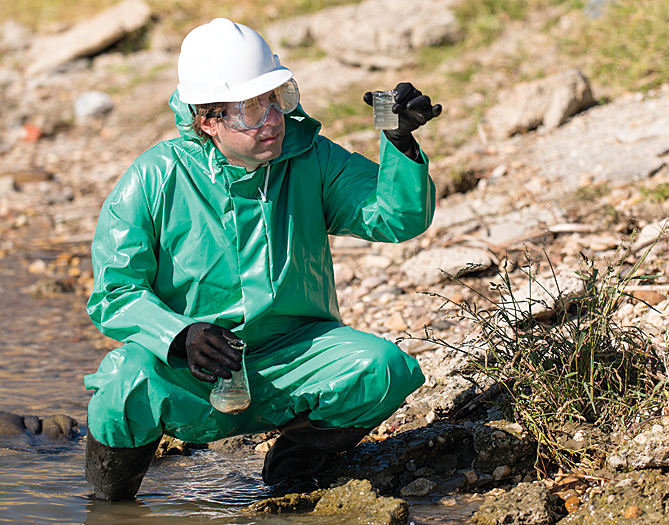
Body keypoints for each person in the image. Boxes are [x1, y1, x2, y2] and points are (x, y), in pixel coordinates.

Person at [82, 18, 441, 501]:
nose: (271, 118)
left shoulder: (312, 157)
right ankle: (108, 502)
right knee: (121, 384)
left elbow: (395, 218)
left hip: (297, 357)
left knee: (382, 368)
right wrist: (179, 336)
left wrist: (400, 144)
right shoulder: (153, 177)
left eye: (276, 98)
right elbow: (115, 292)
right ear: (207, 119)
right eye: (250, 109)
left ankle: (295, 464)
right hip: (193, 373)